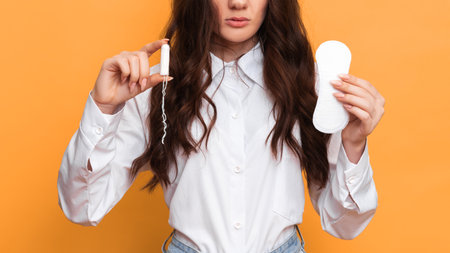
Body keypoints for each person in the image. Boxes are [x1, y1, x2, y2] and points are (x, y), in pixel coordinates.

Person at [57, 0, 385, 252]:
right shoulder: (155, 86)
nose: (238, 3)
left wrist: (353, 144)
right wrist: (104, 109)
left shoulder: (308, 85)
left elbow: (345, 224)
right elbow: (82, 207)